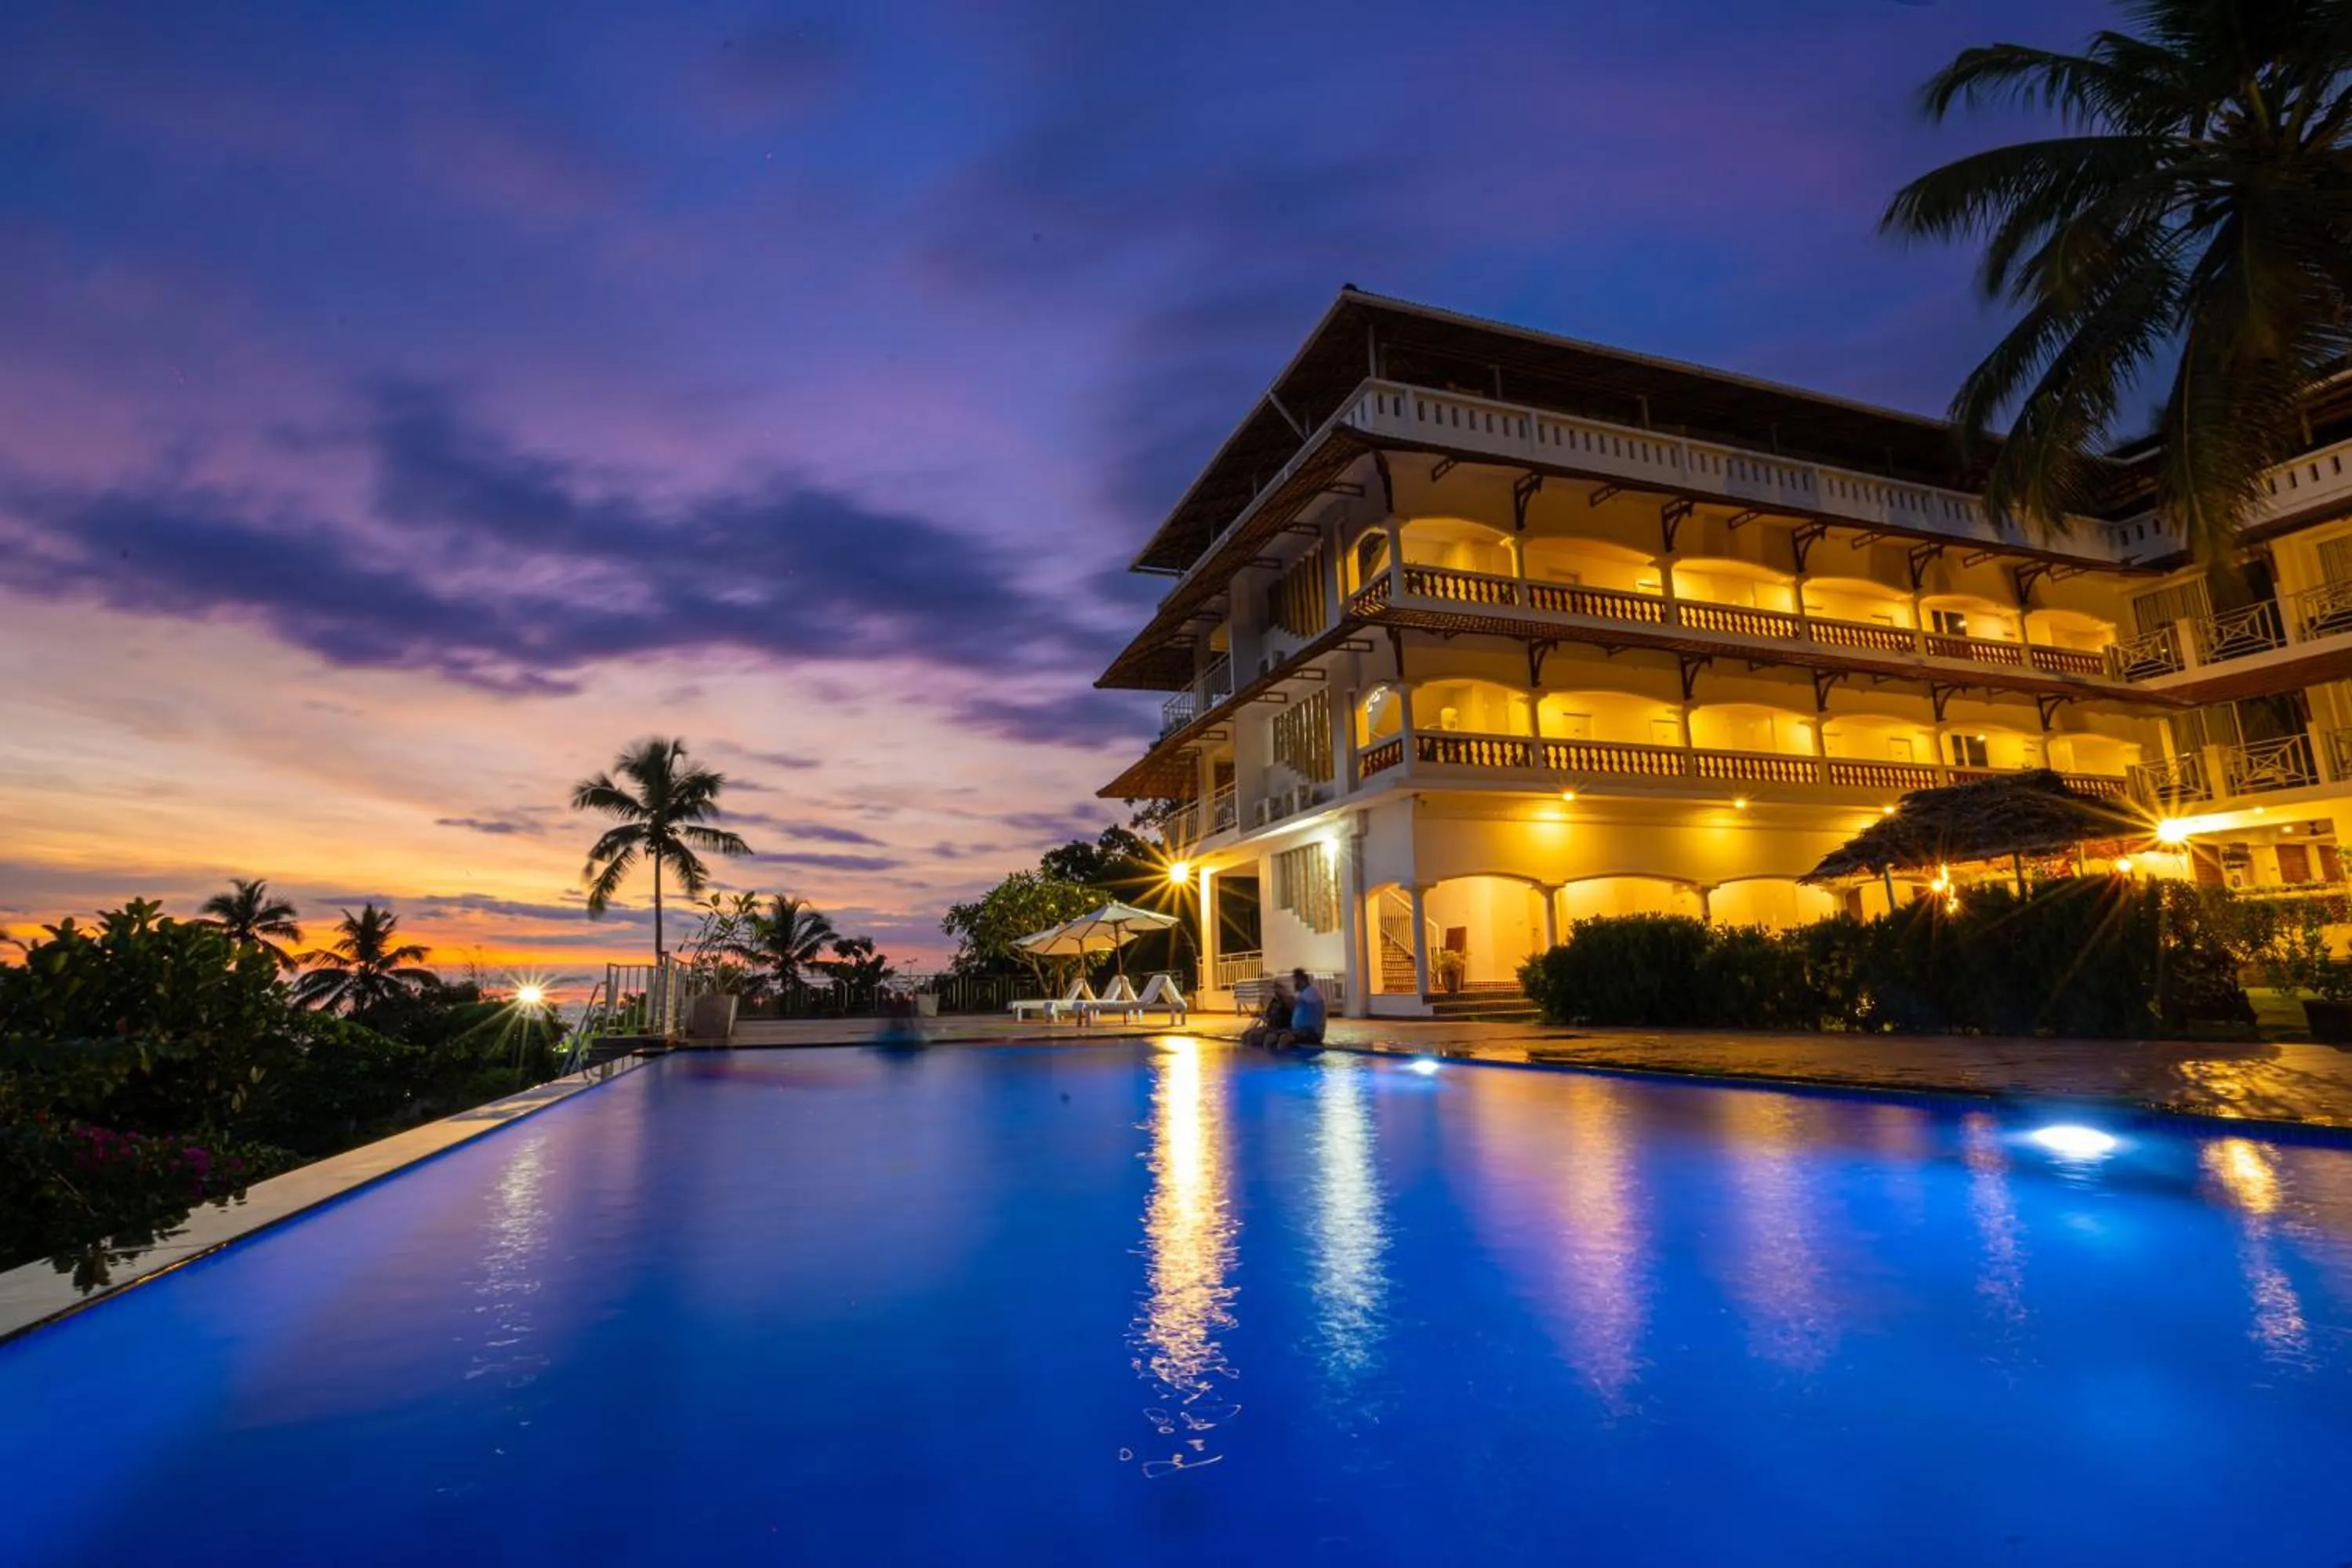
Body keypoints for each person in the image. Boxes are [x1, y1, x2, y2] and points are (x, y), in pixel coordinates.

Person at [1276, 969, 1327, 1048]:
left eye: (1295, 981)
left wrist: (1282, 992)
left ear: (1302, 981)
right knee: (1275, 1035)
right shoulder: (1303, 993)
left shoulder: (1311, 991)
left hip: (1312, 1034)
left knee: (1284, 1038)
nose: (1294, 984)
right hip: (1301, 1032)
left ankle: (1283, 1059)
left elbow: (1292, 1003)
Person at [1240, 980, 1291, 1049]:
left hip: (1278, 1029)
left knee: (1255, 1037)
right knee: (1245, 1035)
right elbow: (1266, 1016)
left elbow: (1286, 1019)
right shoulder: (1274, 1001)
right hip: (1270, 1027)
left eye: (1278, 989)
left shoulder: (1287, 1002)